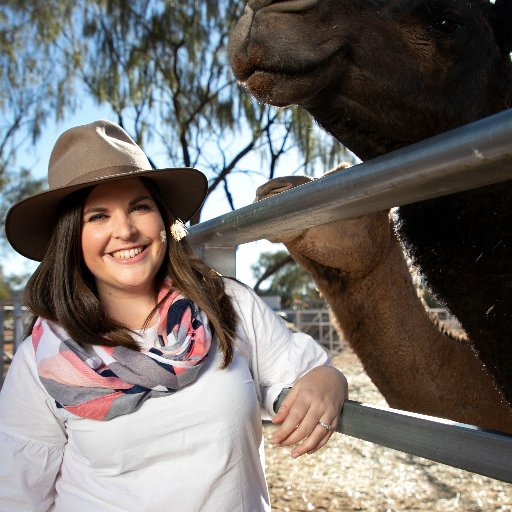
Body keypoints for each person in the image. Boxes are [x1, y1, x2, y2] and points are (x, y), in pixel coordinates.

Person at [0, 120, 347, 512]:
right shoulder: (42, 361)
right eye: (98, 217)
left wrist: (329, 380)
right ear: (71, 238)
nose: (126, 230)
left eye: (140, 207)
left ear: (163, 220)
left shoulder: (226, 306)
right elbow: (17, 496)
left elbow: (306, 370)